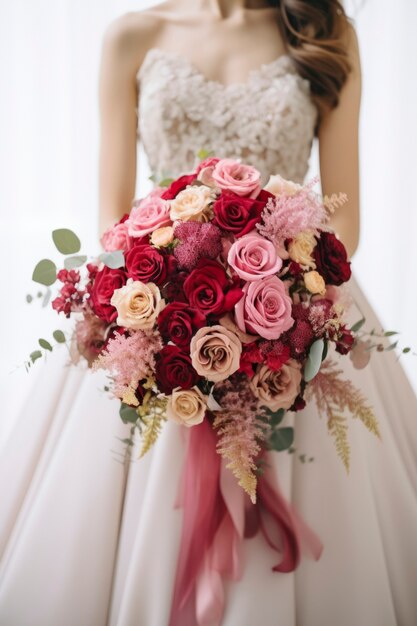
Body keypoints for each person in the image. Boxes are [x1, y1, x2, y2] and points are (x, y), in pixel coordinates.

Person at [1, 1, 416, 625]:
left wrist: (273, 272)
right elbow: (111, 220)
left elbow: (346, 220)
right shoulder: (133, 36)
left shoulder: (326, 35)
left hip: (297, 294)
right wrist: (174, 282)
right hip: (157, 297)